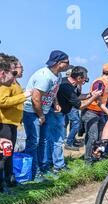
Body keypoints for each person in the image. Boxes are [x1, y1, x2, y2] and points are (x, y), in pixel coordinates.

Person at [23, 50, 69, 181]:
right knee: (34, 142)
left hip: (44, 111)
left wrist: (56, 103)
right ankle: (33, 172)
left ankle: (44, 167)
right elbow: (35, 99)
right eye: (67, 62)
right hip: (32, 112)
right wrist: (41, 115)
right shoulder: (45, 76)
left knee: (44, 140)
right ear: (59, 63)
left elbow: (53, 91)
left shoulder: (57, 75)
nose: (68, 65)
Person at [0, 55, 31, 191]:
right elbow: (3, 101)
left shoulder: (14, 83)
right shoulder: (7, 84)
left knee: (9, 154)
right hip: (5, 123)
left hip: (12, 122)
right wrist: (24, 96)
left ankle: (9, 180)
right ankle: (3, 184)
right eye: (19, 68)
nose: (22, 71)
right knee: (4, 155)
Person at [58, 67, 101, 152]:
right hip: (56, 113)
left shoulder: (70, 83)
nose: (85, 81)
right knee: (55, 141)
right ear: (78, 78)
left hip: (61, 112)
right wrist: (94, 97)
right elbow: (81, 106)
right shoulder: (66, 86)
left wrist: (90, 94)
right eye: (84, 78)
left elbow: (78, 96)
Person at [82, 63, 108, 164]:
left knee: (102, 136)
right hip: (91, 112)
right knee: (93, 136)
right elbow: (98, 101)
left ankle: (96, 156)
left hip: (100, 113)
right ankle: (88, 161)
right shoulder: (100, 82)